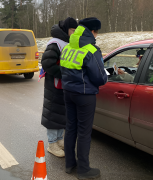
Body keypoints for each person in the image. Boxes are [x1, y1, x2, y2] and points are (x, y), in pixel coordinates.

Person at [60, 17, 107, 179]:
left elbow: (63, 70)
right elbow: (100, 78)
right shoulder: (91, 50)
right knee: (84, 132)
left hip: (68, 93)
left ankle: (69, 164)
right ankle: (84, 170)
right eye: (96, 32)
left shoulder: (67, 48)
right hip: (85, 95)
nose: (97, 36)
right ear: (92, 31)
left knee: (71, 128)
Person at [40, 17, 78, 158]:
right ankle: (51, 144)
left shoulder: (67, 43)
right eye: (72, 30)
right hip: (54, 85)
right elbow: (47, 64)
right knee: (53, 114)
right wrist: (65, 73)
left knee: (62, 113)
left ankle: (59, 140)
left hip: (64, 85)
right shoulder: (55, 43)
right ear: (66, 29)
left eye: (76, 30)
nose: (74, 33)